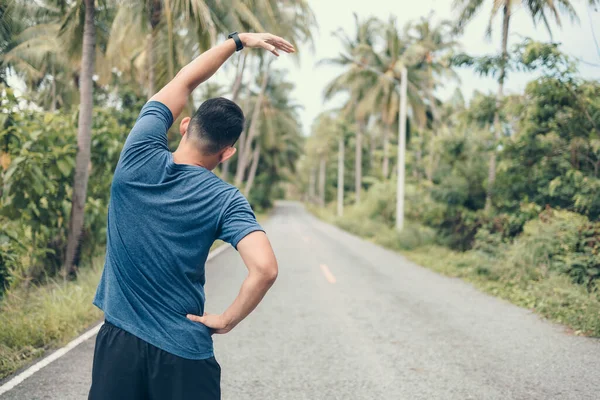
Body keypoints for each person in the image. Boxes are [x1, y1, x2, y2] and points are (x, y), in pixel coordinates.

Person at [88, 32, 294, 400]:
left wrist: (238, 41)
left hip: (119, 346)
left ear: (184, 126)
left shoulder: (138, 155)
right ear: (227, 153)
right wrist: (227, 319)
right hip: (184, 353)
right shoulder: (226, 200)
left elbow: (185, 80)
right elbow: (265, 269)